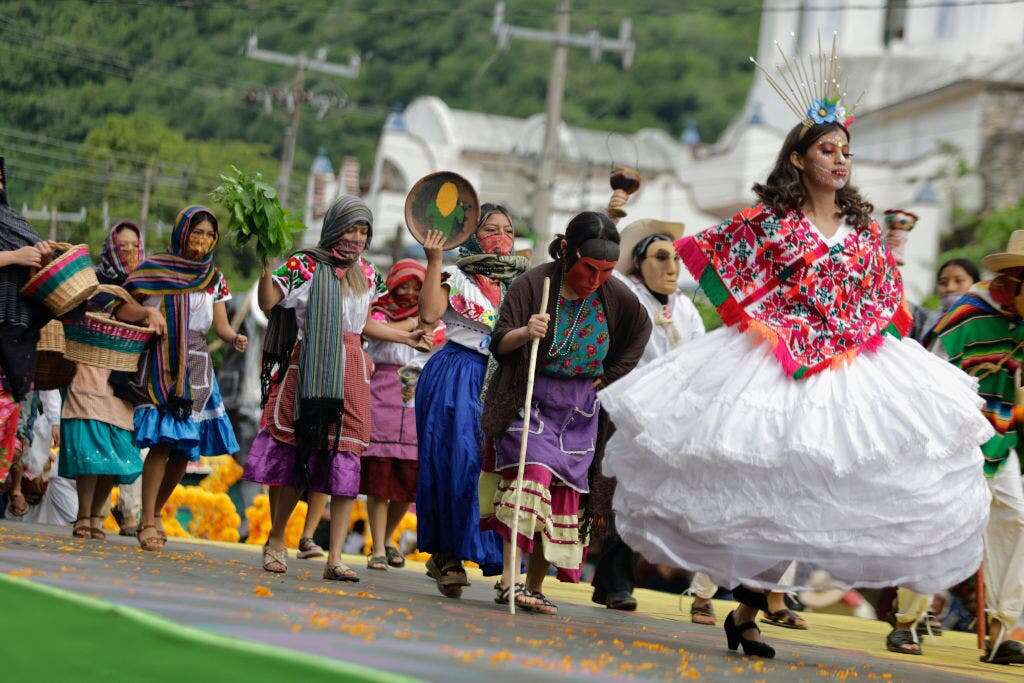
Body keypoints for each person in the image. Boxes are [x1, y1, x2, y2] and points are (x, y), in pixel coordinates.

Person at [597, 43, 992, 658]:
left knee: (821, 493)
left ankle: (754, 608)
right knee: (772, 491)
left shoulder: (861, 231)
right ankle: (743, 607)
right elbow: (720, 257)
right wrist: (770, 320)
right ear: (799, 157)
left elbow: (883, 295)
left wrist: (864, 332)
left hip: (851, 365)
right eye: (828, 151)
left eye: (845, 152)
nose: (840, 161)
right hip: (777, 361)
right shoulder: (772, 221)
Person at [244, 196, 423, 582]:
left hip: (353, 370)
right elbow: (271, 301)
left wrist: (405, 338)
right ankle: (277, 541)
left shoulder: (368, 274)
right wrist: (265, 265)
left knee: (346, 461)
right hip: (310, 365)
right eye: (351, 228)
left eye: (363, 231)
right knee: (296, 456)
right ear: (333, 228)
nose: (356, 237)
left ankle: (336, 558)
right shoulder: (305, 265)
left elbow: (361, 327)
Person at [480, 211, 651, 615]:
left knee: (561, 496)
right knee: (532, 475)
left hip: (580, 412)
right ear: (569, 253)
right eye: (589, 268)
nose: (596, 280)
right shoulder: (535, 283)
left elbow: (639, 333)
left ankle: (535, 586)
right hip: (533, 401)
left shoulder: (615, 296)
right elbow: (499, 341)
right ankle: (509, 580)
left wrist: (609, 376)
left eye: (606, 271)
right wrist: (526, 332)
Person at [589, 218, 714, 618]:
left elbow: (699, 360)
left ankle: (621, 582)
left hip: (670, 419)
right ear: (638, 264)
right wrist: (613, 219)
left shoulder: (687, 310)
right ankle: (613, 584)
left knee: (651, 502)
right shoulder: (629, 296)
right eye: (661, 257)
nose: (672, 267)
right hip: (627, 412)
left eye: (676, 258)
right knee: (620, 496)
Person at [917, 236, 1024, 665]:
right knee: (937, 521)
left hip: (1002, 435)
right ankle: (908, 620)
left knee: (1016, 519)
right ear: (1014, 280)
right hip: (954, 436)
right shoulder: (967, 315)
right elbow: (928, 376)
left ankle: (1003, 628)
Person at [114, 206, 243, 551]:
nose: (201, 240)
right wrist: (147, 312)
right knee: (163, 442)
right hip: (163, 361)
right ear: (181, 233)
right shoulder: (155, 269)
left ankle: (155, 513)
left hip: (199, 365)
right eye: (196, 232)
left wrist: (233, 337)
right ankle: (145, 521)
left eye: (208, 235)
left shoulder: (213, 277)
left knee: (185, 449)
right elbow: (121, 308)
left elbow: (220, 324)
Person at [415, 203, 529, 597]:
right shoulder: (456, 275)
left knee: (506, 468)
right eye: (492, 229)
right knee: (456, 463)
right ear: (474, 236)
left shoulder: (522, 284)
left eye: (508, 229)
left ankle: (507, 568)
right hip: (459, 373)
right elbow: (429, 316)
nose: (502, 238)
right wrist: (433, 260)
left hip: (504, 379)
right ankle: (446, 554)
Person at [60, 221, 146, 539]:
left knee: (115, 448)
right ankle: (83, 515)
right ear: (110, 249)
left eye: (134, 246)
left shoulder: (146, 285)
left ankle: (97, 516)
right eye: (122, 246)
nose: (129, 252)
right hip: (91, 366)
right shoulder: (95, 282)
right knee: (88, 440)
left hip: (126, 377)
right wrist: (146, 314)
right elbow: (121, 309)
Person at [361, 258, 435, 570]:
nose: (408, 291)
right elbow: (376, 331)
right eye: (402, 284)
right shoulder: (380, 310)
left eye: (416, 286)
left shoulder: (433, 316)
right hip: (382, 399)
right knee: (380, 478)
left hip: (417, 401)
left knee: (409, 481)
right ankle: (377, 547)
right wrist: (412, 326)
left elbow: (437, 342)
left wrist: (424, 326)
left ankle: (389, 537)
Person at [0, 157, 54, 514]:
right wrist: (16, 255)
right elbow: (21, 252)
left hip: (10, 338)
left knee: (8, 428)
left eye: (1, 176)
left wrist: (42, 253)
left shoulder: (13, 223)